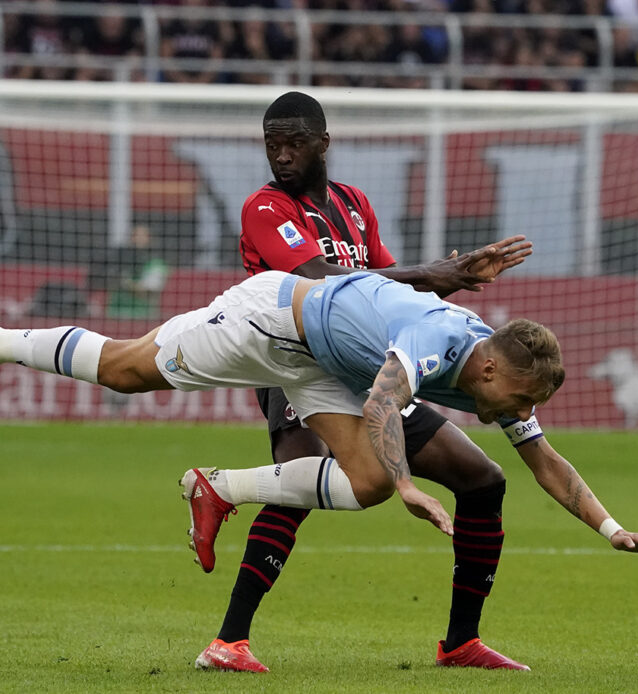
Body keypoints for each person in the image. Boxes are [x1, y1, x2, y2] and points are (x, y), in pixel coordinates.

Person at [0, 271, 638, 669]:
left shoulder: (494, 371)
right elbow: (384, 404)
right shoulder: (437, 342)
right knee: (126, 369)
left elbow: (543, 456)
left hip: (320, 359)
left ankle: (220, 487)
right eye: (523, 396)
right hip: (268, 322)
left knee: (369, 484)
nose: (522, 410)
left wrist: (610, 527)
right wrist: (413, 483)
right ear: (490, 367)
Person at [213, 90, 534, 674]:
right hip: (295, 361)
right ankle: (229, 640)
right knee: (301, 484)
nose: (281, 156)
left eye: (294, 144)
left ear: (324, 144)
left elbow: (385, 286)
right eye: (272, 145)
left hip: (367, 367)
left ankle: (461, 642)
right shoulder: (263, 208)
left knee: (483, 480)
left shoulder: (353, 203)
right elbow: (317, 279)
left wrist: (453, 277)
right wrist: (431, 272)